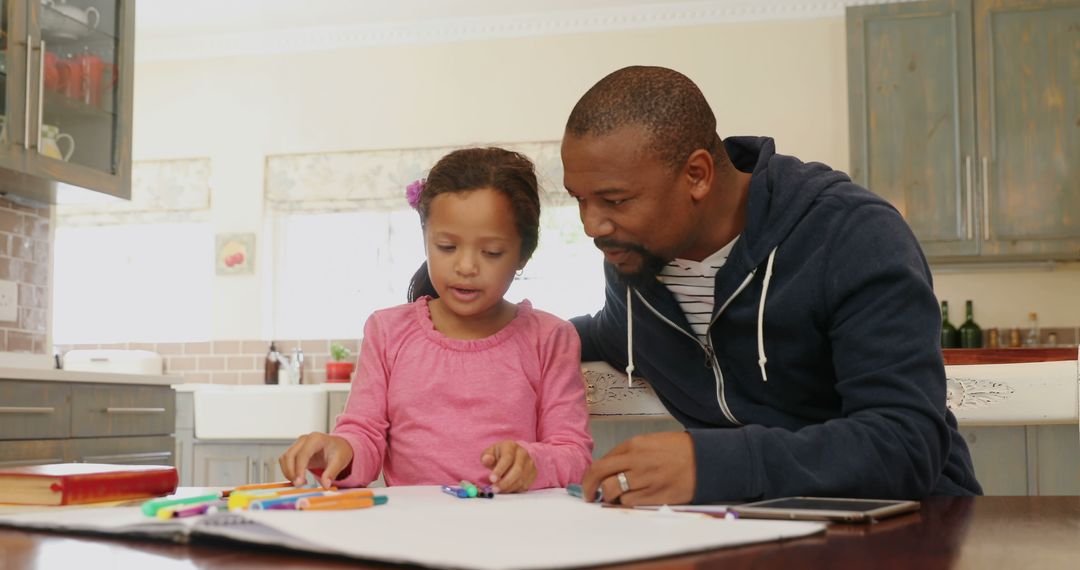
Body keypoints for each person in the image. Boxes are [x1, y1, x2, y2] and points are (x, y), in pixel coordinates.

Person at [563, 66, 981, 506]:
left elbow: (905, 445)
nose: (592, 225)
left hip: (912, 524)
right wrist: (495, 331)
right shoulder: (636, 261)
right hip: (746, 527)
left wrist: (712, 465)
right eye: (579, 200)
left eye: (615, 200)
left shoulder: (850, 234)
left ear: (697, 175)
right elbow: (601, 334)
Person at [280, 147, 593, 492]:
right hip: (411, 532)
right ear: (425, 240)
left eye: (491, 252)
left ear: (524, 254)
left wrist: (535, 462)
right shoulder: (387, 332)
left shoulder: (550, 338)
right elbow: (364, 434)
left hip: (510, 532)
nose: (466, 267)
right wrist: (340, 450)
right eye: (446, 246)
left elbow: (573, 454)